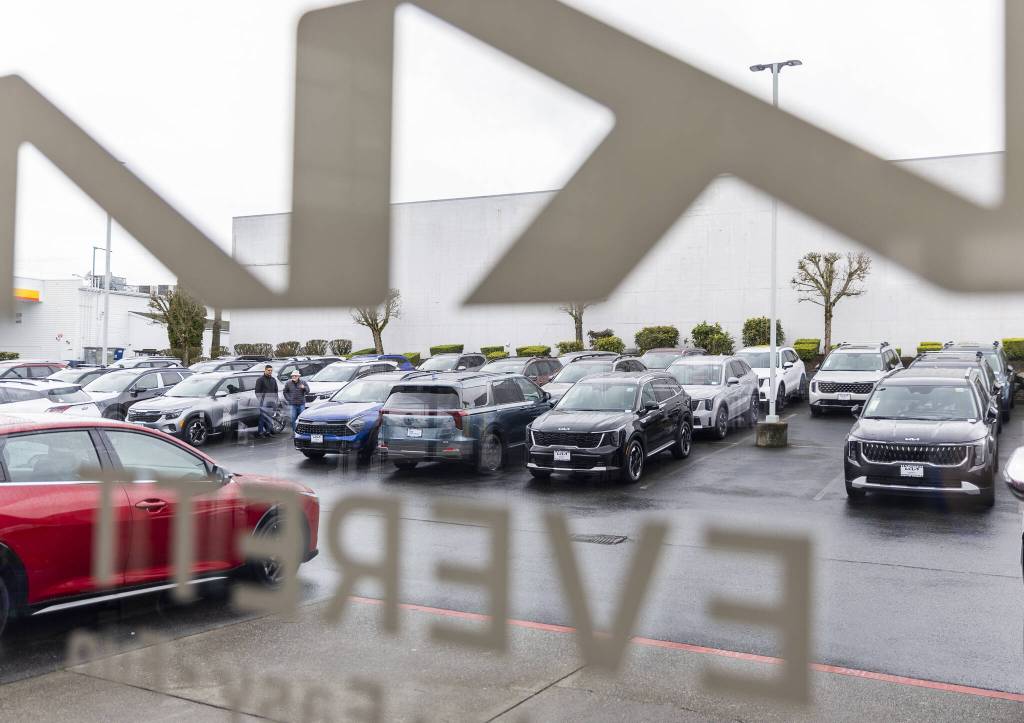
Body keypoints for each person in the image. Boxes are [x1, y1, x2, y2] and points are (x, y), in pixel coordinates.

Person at [255, 364, 280, 438]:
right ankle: (260, 433)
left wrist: (276, 400)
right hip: (264, 402)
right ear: (265, 370)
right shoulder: (260, 380)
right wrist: (261, 401)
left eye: (271, 370)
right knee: (262, 418)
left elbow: (276, 391)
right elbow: (257, 392)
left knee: (269, 418)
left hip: (271, 402)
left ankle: (268, 432)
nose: (270, 372)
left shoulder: (273, 380)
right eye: (268, 370)